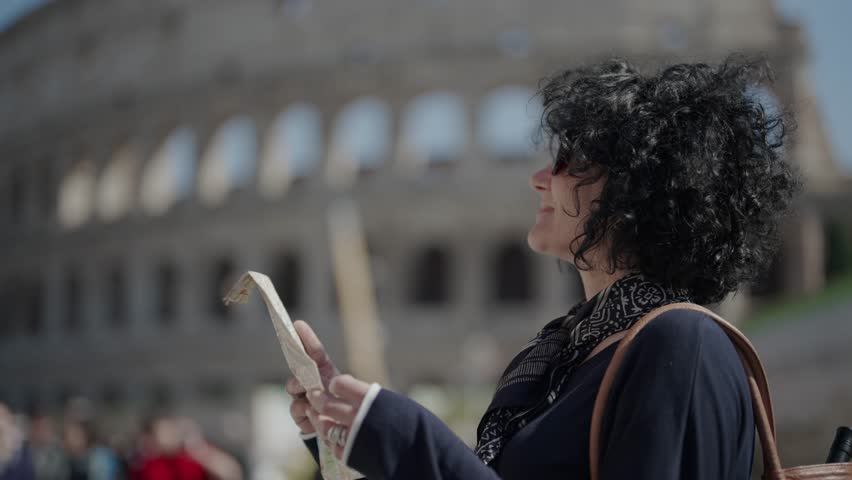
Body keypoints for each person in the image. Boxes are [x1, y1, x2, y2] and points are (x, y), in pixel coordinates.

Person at [285, 57, 801, 479]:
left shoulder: (682, 346)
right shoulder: (560, 355)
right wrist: (340, 439)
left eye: (571, 163)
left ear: (639, 192)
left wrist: (407, 438)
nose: (538, 178)